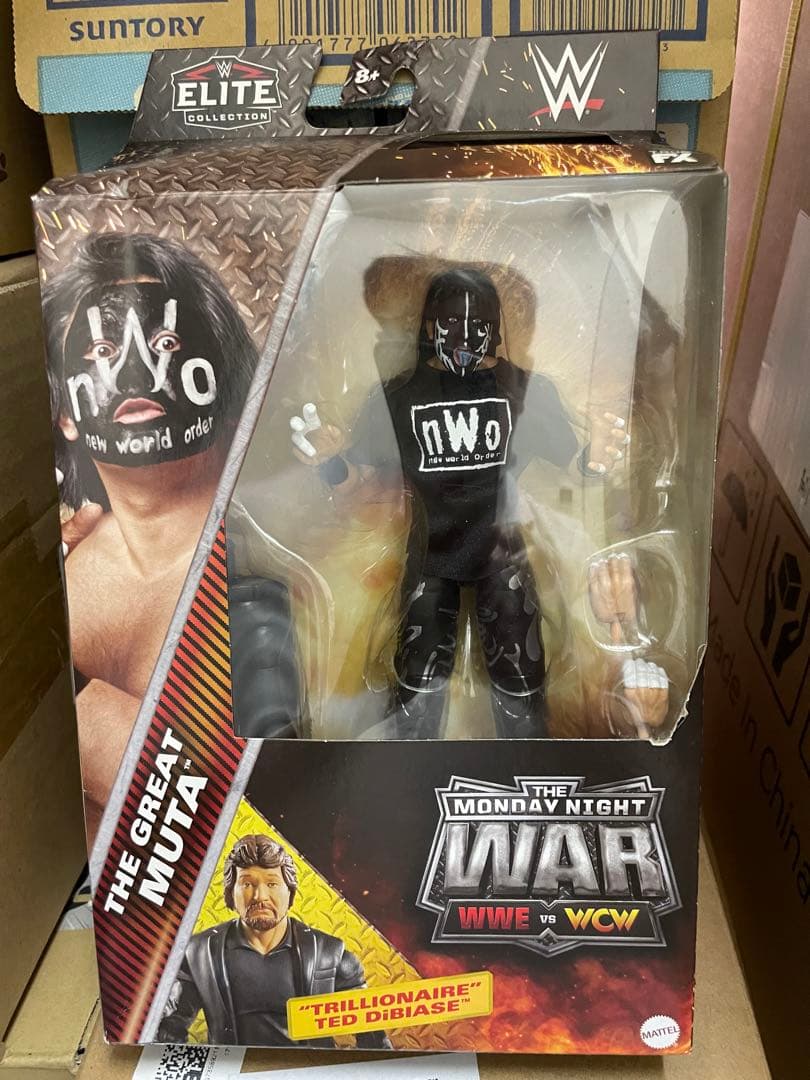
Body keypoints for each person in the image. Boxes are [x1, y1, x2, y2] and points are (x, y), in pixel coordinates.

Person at [290, 267, 665, 738]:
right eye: (452, 322)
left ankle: (527, 770)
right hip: (430, 560)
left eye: (478, 324)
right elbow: (359, 485)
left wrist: (597, 458)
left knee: (522, 691)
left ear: (495, 329)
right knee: (416, 693)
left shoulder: (523, 389)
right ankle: (408, 772)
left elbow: (571, 467)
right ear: (431, 326)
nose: (465, 336)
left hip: (502, 557)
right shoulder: (399, 397)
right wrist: (327, 462)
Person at [42, 233, 258, 837]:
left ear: (223, 379)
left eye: (165, 343)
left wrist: (66, 698)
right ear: (66, 414)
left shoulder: (275, 562)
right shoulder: (59, 578)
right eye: (102, 349)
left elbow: (249, 816)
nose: (135, 371)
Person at [157, 834, 392, 1048]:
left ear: (290, 891)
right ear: (230, 892)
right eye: (247, 884)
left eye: (272, 884)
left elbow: (374, 1041)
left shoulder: (331, 954)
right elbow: (167, 1034)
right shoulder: (199, 953)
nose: (260, 896)